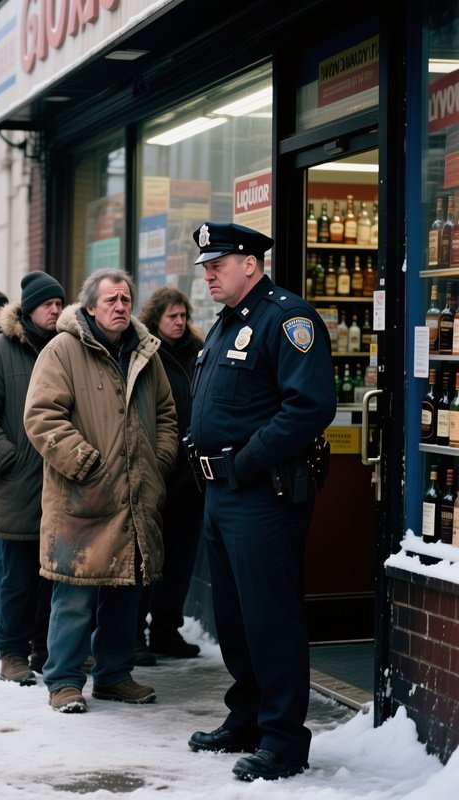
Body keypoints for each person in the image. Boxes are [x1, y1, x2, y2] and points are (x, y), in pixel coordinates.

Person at [186, 222, 335, 782]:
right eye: (205, 266)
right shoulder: (227, 324)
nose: (208, 275)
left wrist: (245, 461)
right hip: (221, 493)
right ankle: (246, 718)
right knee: (234, 616)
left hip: (263, 493)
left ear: (251, 263)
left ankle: (283, 740)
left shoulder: (286, 318)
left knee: (270, 618)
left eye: (217, 265)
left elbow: (309, 406)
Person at [23, 268, 177, 713]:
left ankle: (113, 676)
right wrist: (85, 463)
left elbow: (166, 413)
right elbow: (41, 416)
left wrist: (158, 461)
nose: (120, 306)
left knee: (124, 593)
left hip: (134, 497)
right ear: (90, 307)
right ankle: (64, 681)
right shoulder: (62, 349)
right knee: (75, 593)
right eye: (110, 299)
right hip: (82, 498)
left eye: (126, 299)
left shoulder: (146, 352)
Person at [0, 272, 66, 685]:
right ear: (28, 310)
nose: (55, 310)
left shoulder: (66, 348)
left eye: (60, 303)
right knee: (18, 578)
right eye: (47, 304)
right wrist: (7, 459)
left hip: (61, 484)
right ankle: (12, 653)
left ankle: (44, 649)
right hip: (17, 484)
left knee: (54, 579)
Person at [136, 287, 205, 661]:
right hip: (155, 467)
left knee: (180, 558)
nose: (179, 323)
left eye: (183, 316)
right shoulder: (144, 352)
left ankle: (166, 629)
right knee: (146, 558)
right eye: (172, 317)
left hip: (191, 471)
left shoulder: (198, 351)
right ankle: (134, 631)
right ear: (156, 319)